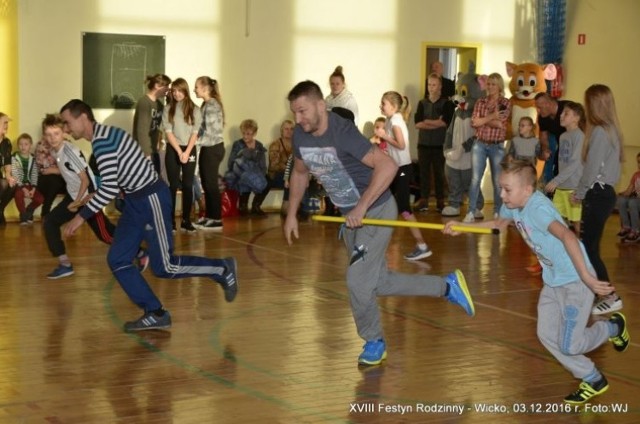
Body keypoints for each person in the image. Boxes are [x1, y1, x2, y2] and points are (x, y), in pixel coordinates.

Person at [284, 80, 475, 366]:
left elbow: (388, 165)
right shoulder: (302, 136)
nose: (298, 119)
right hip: (352, 219)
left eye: (302, 111)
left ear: (320, 105)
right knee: (378, 283)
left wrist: (361, 207)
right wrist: (290, 213)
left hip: (375, 210)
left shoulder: (343, 132)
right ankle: (447, 287)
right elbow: (300, 173)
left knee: (357, 280)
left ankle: (374, 340)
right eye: (294, 113)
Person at [444, 160, 629, 405]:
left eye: (507, 189)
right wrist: (463, 226)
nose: (501, 195)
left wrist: (587, 277)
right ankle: (592, 378)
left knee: (570, 345)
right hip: (553, 281)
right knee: (546, 334)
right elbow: (499, 224)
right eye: (501, 188)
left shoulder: (538, 209)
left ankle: (612, 328)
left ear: (527, 191)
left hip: (575, 281)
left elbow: (567, 236)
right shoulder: (514, 204)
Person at [59, 99, 238, 332]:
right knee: (118, 258)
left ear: (83, 117)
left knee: (165, 266)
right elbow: (119, 180)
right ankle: (155, 312)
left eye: (67, 122)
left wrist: (80, 217)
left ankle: (222, 269)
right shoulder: (104, 137)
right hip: (135, 200)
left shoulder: (103, 141)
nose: (66, 129)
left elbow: (110, 188)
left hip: (151, 198)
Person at [40, 114, 134, 279]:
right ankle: (65, 264)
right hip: (75, 195)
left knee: (105, 235)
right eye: (48, 134)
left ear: (63, 133)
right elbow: (68, 171)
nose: (52, 138)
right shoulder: (56, 151)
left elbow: (84, 178)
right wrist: (52, 171)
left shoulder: (70, 151)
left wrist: (77, 203)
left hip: (88, 196)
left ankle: (139, 251)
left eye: (56, 133)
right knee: (50, 222)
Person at [572, 84, 624, 316]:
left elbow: (592, 168)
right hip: (603, 194)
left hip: (597, 193)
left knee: (589, 248)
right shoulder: (612, 130)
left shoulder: (601, 132)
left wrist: (580, 192)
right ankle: (594, 291)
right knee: (588, 247)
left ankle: (610, 295)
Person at [376, 91, 432, 261]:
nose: (381, 106)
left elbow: (400, 145)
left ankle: (422, 246)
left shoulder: (395, 121)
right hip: (395, 168)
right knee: (380, 199)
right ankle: (376, 241)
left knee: (404, 209)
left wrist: (385, 136)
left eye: (383, 103)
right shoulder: (392, 119)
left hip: (402, 169)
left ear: (393, 106)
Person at [463, 72, 511, 223]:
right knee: (475, 178)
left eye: (493, 84)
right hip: (480, 144)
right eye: (489, 84)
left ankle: (498, 211)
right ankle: (471, 211)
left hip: (497, 146)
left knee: (497, 181)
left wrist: (483, 120)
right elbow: (474, 123)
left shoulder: (505, 102)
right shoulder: (480, 101)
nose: (490, 87)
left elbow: (501, 125)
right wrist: (492, 116)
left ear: (499, 86)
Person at [162, 77, 202, 232]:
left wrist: (187, 152)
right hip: (174, 149)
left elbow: (195, 133)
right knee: (172, 186)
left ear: (185, 90)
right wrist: (179, 152)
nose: (177, 94)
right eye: (174, 91)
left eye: (180, 90)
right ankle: (170, 221)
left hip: (189, 148)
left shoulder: (195, 109)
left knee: (187, 185)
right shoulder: (168, 109)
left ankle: (186, 220)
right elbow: (168, 132)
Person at [413, 73, 455, 212]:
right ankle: (424, 200)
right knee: (424, 173)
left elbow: (445, 123)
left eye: (434, 85)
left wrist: (428, 122)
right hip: (423, 145)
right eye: (429, 85)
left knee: (439, 174)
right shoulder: (422, 103)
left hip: (439, 145)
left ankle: (440, 201)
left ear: (440, 86)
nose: (431, 88)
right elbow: (418, 124)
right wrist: (435, 122)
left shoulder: (446, 104)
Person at [544, 102, 586, 236]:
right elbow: (562, 161)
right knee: (557, 218)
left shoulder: (580, 136)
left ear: (576, 118)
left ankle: (580, 250)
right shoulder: (563, 136)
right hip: (561, 186)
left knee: (576, 221)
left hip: (573, 187)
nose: (561, 115)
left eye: (566, 113)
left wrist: (556, 180)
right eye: (561, 113)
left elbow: (575, 163)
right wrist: (558, 181)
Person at [193, 76, 226, 231]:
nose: (194, 90)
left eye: (197, 87)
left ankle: (216, 219)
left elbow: (212, 133)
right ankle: (209, 217)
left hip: (213, 148)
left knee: (211, 184)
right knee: (206, 183)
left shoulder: (212, 105)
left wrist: (193, 143)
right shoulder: (205, 104)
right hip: (208, 148)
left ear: (205, 88)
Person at [226, 119, 269, 216]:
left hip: (256, 172)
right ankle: (243, 206)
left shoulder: (259, 145)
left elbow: (263, 165)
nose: (245, 136)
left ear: (254, 133)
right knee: (245, 178)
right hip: (240, 173)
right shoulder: (237, 144)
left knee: (268, 180)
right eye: (244, 133)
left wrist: (259, 176)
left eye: (248, 134)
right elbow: (231, 163)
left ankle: (256, 206)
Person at [133, 73, 171, 173]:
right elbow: (142, 131)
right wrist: (147, 155)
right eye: (166, 86)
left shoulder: (159, 105)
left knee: (156, 180)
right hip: (143, 153)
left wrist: (170, 99)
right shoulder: (144, 103)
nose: (168, 89)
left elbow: (166, 121)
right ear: (157, 86)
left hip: (153, 150)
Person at [535, 93, 570, 184]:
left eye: (539, 107)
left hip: (576, 146)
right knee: (557, 171)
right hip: (562, 146)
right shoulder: (543, 117)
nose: (538, 111)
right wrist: (545, 149)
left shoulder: (567, 109)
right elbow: (543, 136)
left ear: (548, 104)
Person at [11, 133, 44, 224]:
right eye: (21, 144)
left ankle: (29, 211)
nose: (23, 147)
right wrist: (23, 188)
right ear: (18, 145)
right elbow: (15, 174)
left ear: (30, 145)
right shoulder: (14, 158)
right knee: (18, 195)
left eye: (26, 144)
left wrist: (33, 188)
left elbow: (34, 174)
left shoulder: (33, 158)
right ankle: (23, 214)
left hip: (30, 185)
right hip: (19, 185)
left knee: (40, 198)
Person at [34, 134, 66, 218]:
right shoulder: (41, 145)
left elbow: (69, 166)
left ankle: (66, 214)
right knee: (55, 181)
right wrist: (59, 170)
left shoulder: (65, 144)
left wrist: (56, 170)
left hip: (63, 178)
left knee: (73, 182)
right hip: (44, 180)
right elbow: (43, 169)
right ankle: (46, 211)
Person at [267, 120, 293, 214]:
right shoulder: (275, 144)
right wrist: (289, 169)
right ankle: (286, 207)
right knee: (290, 178)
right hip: (276, 175)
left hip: (292, 174)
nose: (289, 131)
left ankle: (301, 206)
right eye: (286, 129)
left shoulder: (296, 144)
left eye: (291, 129)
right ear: (281, 130)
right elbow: (274, 165)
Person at [615, 152, 640, 243]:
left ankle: (636, 231)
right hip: (637, 200)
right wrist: (620, 194)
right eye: (638, 162)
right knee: (621, 200)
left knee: (632, 202)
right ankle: (626, 227)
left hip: (636, 201)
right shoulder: (636, 175)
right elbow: (628, 191)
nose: (639, 164)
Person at [0, 112, 16, 225]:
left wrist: (9, 175)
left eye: (7, 123)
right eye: (4, 123)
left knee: (12, 184)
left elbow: (7, 161)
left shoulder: (6, 142)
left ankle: (0, 210)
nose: (7, 125)